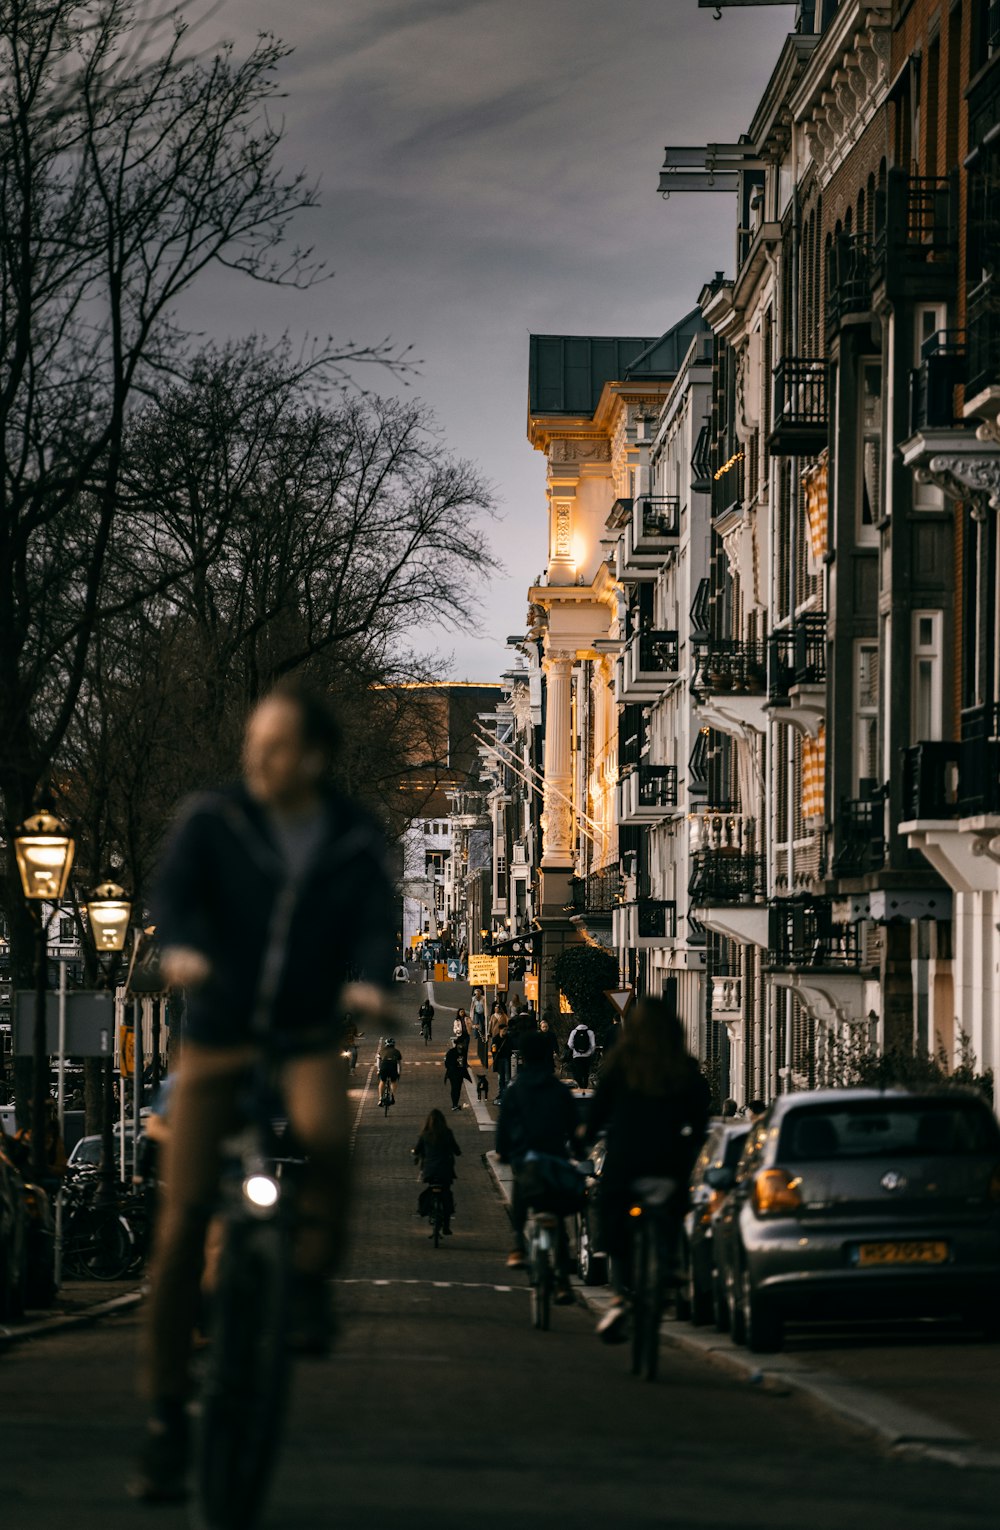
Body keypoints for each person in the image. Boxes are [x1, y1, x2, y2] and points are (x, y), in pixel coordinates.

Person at [133, 680, 395, 1502]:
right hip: (217, 1035)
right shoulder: (213, 821)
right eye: (255, 743)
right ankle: (165, 1414)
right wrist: (177, 948)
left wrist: (372, 982)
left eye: (276, 747)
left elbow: (376, 917)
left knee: (325, 1137)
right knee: (178, 1230)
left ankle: (308, 1282)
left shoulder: (351, 837)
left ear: (313, 759)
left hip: (307, 1034)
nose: (258, 759)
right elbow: (174, 894)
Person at [580, 998, 710, 1342]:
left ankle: (620, 1293)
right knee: (678, 1206)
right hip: (669, 1161)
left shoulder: (620, 1065)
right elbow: (699, 1120)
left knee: (610, 1206)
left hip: (627, 1161)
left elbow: (596, 1114)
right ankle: (675, 1267)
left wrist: (584, 1139)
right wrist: (693, 1145)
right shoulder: (682, 1068)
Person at [495, 1030, 577, 1304]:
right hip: (554, 1160)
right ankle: (564, 1282)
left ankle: (518, 1244)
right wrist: (576, 1151)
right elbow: (575, 1129)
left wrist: (504, 1153)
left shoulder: (515, 1090)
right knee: (559, 1223)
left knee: (520, 1197)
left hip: (526, 1158)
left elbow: (504, 1127)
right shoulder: (559, 1091)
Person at [412, 1109, 461, 1234]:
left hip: (429, 1170)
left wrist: (414, 1152)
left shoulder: (425, 1135)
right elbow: (456, 1150)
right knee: (447, 1194)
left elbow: (417, 1150)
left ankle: (426, 1209)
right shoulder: (447, 1133)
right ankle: (446, 1226)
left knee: (429, 1190)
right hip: (445, 1171)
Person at [566, 1020, 597, 1089]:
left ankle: (579, 1087)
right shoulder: (590, 1032)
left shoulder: (574, 1032)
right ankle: (585, 1088)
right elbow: (593, 1045)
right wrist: (590, 1052)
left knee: (578, 1072)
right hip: (587, 1056)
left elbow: (569, 1044)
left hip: (576, 1056)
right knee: (586, 1073)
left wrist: (575, 1049)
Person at [443, 1042, 472, 1112]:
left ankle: (455, 1104)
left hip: (460, 1074)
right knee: (454, 1088)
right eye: (460, 1044)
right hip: (453, 1073)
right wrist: (452, 1067)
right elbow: (446, 1063)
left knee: (458, 1089)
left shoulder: (463, 1052)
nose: (462, 1045)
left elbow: (463, 1062)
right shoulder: (451, 1052)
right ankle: (454, 1104)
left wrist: (465, 1066)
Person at [491, 1021, 514, 1103]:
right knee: (501, 1078)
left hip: (506, 1059)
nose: (505, 1031)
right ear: (500, 1030)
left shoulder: (508, 1038)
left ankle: (506, 1093)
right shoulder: (495, 1039)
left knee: (507, 1077)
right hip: (499, 1060)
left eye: (506, 1030)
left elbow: (511, 1047)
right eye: (504, 1030)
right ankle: (501, 1093)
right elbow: (493, 1050)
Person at [378, 1036, 402, 1107]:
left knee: (382, 1081)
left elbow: (378, 1061)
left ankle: (380, 1099)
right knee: (393, 1081)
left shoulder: (381, 1050)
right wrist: (399, 1073)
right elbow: (399, 1064)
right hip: (392, 1067)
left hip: (384, 1066)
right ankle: (392, 1096)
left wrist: (378, 1070)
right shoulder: (397, 1051)